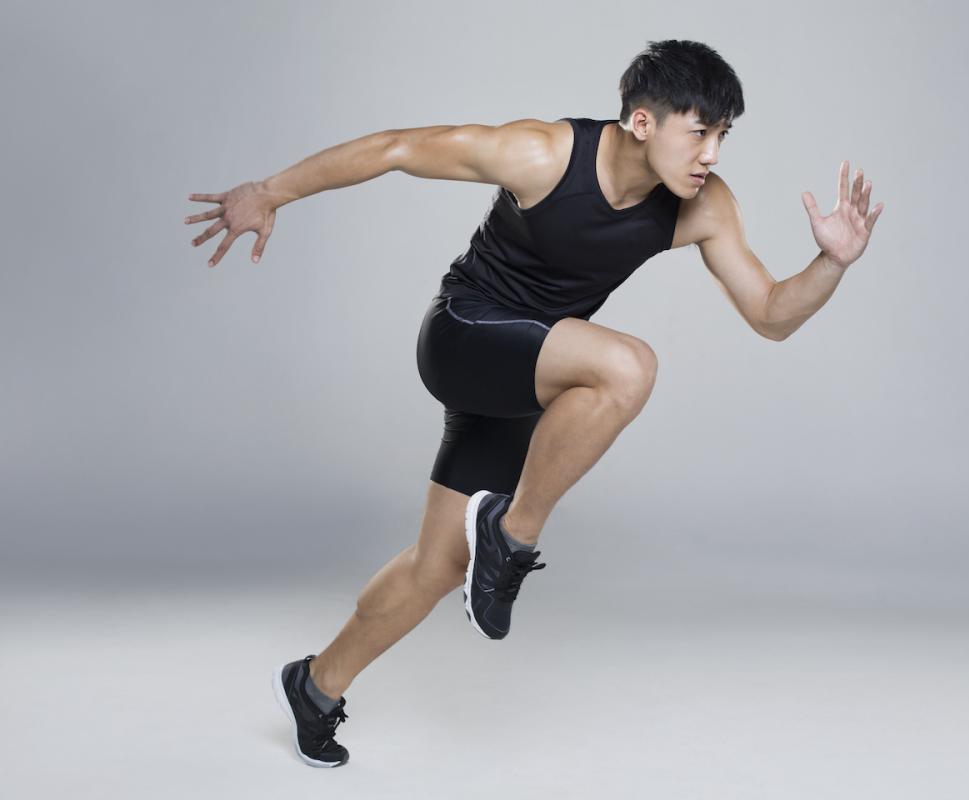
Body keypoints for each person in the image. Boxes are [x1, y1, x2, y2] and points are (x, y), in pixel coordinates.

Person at [184, 39, 883, 768]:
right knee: (628, 367)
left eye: (723, 135)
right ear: (643, 122)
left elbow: (770, 314)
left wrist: (831, 262)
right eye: (699, 131)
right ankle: (512, 535)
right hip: (463, 335)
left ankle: (315, 687)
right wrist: (269, 191)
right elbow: (396, 147)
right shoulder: (544, 154)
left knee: (437, 565)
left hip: (528, 376)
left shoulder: (704, 205)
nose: (711, 154)